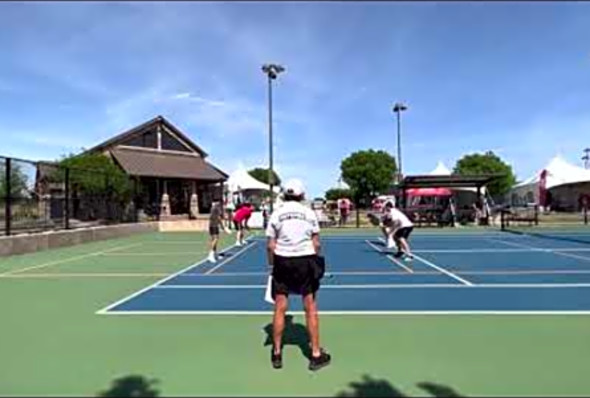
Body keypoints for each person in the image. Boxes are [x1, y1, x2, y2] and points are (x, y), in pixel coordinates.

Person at [266, 178, 331, 371]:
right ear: (302, 195)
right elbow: (316, 243)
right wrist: (315, 260)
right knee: (310, 307)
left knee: (280, 307)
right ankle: (316, 355)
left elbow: (271, 245)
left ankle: (277, 353)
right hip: (305, 261)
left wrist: (272, 264)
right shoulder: (309, 213)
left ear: (284, 194)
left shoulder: (276, 214)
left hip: (282, 261)